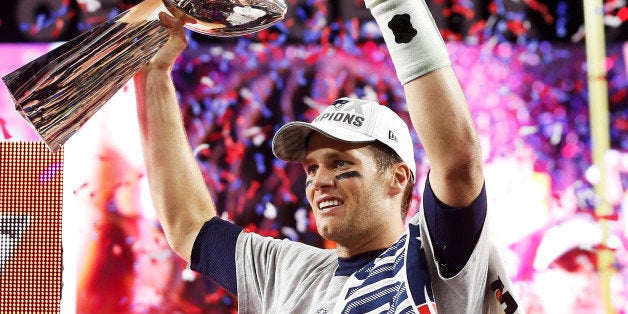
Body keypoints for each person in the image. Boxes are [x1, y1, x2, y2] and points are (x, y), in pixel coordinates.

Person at [134, 0, 523, 313]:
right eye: (312, 168)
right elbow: (188, 225)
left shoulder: (439, 255)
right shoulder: (284, 272)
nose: (319, 181)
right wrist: (153, 76)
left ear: (399, 178)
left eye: (342, 164)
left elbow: (458, 162)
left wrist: (393, 4)